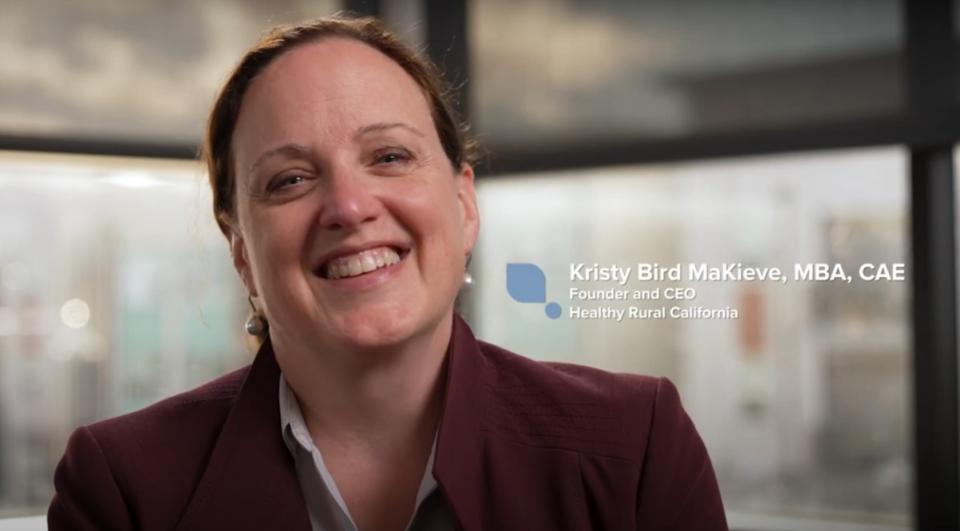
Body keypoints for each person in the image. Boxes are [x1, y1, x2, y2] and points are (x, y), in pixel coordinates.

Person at [47, 16, 727, 531]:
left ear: (464, 205)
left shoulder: (637, 449)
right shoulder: (120, 490)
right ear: (243, 254)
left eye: (390, 157)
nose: (349, 206)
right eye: (289, 179)